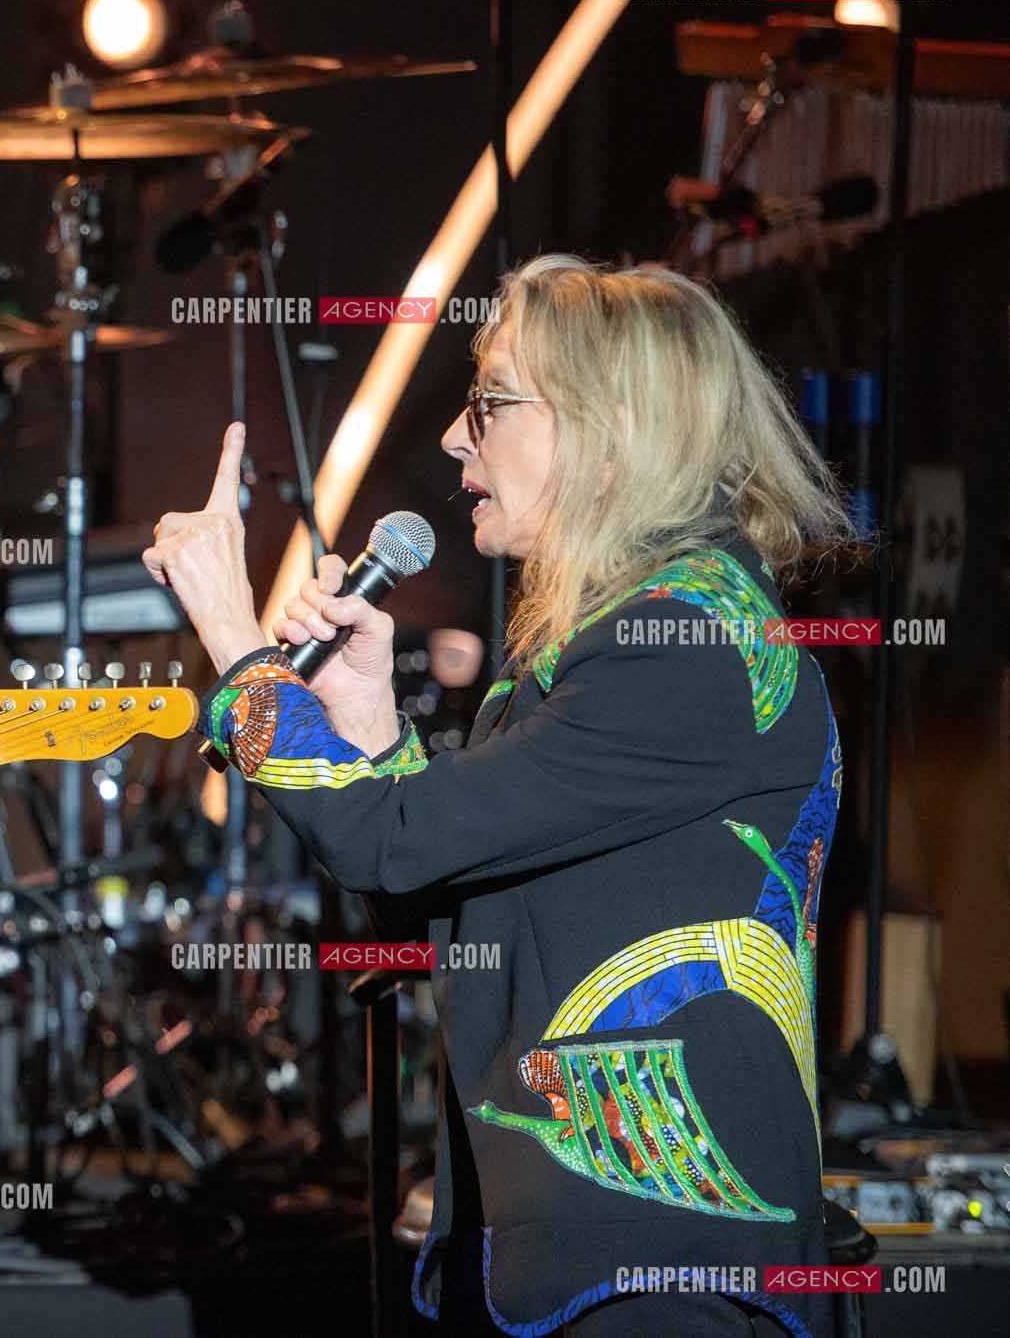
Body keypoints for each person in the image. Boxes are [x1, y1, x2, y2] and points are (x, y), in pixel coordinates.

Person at [144, 256, 853, 1338]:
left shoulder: (686, 642)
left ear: (612, 429)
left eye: (492, 404)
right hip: (591, 1257)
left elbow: (388, 845)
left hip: (661, 1267)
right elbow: (426, 889)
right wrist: (370, 723)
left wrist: (238, 646)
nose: (452, 439)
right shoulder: (610, 641)